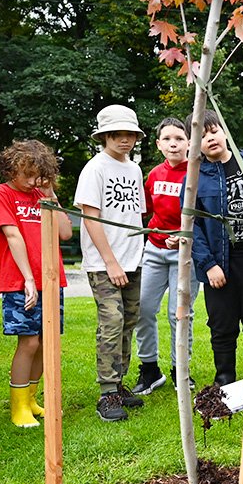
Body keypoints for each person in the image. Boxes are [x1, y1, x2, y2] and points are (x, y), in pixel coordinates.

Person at [0, 140, 72, 428]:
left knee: (46, 341)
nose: (33, 181)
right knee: (29, 341)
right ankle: (18, 406)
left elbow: (64, 233)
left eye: (38, 174)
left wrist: (50, 195)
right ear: (12, 169)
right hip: (20, 280)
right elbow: (12, 237)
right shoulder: (1, 193)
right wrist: (28, 280)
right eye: (27, 174)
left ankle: (32, 399)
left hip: (51, 278)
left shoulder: (41, 194)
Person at [74, 104, 147, 422]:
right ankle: (106, 393)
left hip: (133, 258)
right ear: (104, 135)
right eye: (117, 134)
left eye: (130, 134)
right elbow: (90, 218)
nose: (125, 139)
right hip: (105, 262)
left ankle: (119, 383)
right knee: (112, 322)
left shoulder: (135, 169)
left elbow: (135, 216)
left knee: (129, 321)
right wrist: (111, 262)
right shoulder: (95, 168)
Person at [188, 111, 243, 387]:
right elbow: (193, 225)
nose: (210, 139)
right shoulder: (196, 176)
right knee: (222, 325)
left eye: (213, 131)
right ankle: (225, 380)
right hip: (219, 262)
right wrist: (208, 264)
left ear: (224, 132)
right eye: (202, 136)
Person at [133, 117, 198, 393]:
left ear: (189, 143)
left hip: (185, 253)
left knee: (179, 313)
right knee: (143, 308)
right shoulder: (153, 175)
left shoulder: (196, 173)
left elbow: (202, 216)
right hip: (155, 249)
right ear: (159, 144)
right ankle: (150, 370)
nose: (174, 144)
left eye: (179, 139)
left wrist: (183, 236)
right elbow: (147, 212)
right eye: (168, 139)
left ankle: (179, 369)